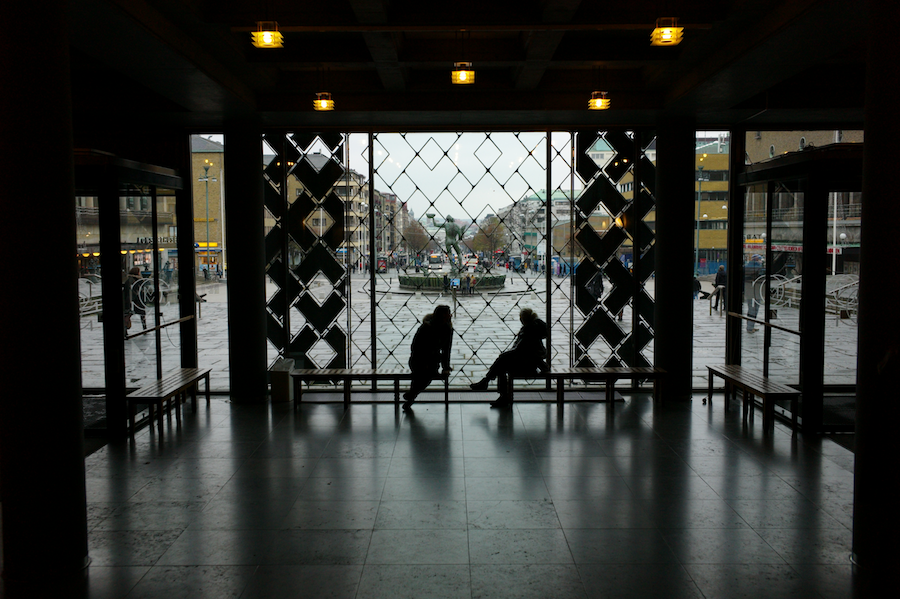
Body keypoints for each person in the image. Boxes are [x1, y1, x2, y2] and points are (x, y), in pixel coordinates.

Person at [469, 308, 548, 408]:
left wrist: (504, 355)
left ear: (523, 319)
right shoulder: (534, 330)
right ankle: (489, 385)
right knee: (502, 364)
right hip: (530, 362)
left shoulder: (528, 331)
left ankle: (492, 386)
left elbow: (518, 349)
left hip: (527, 364)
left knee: (502, 363)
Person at [402, 305, 453, 411]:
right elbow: (445, 350)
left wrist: (445, 367)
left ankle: (411, 395)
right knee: (426, 376)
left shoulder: (435, 328)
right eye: (447, 314)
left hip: (430, 360)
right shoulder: (440, 329)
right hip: (420, 359)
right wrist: (445, 366)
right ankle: (411, 396)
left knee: (423, 376)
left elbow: (446, 350)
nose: (450, 315)